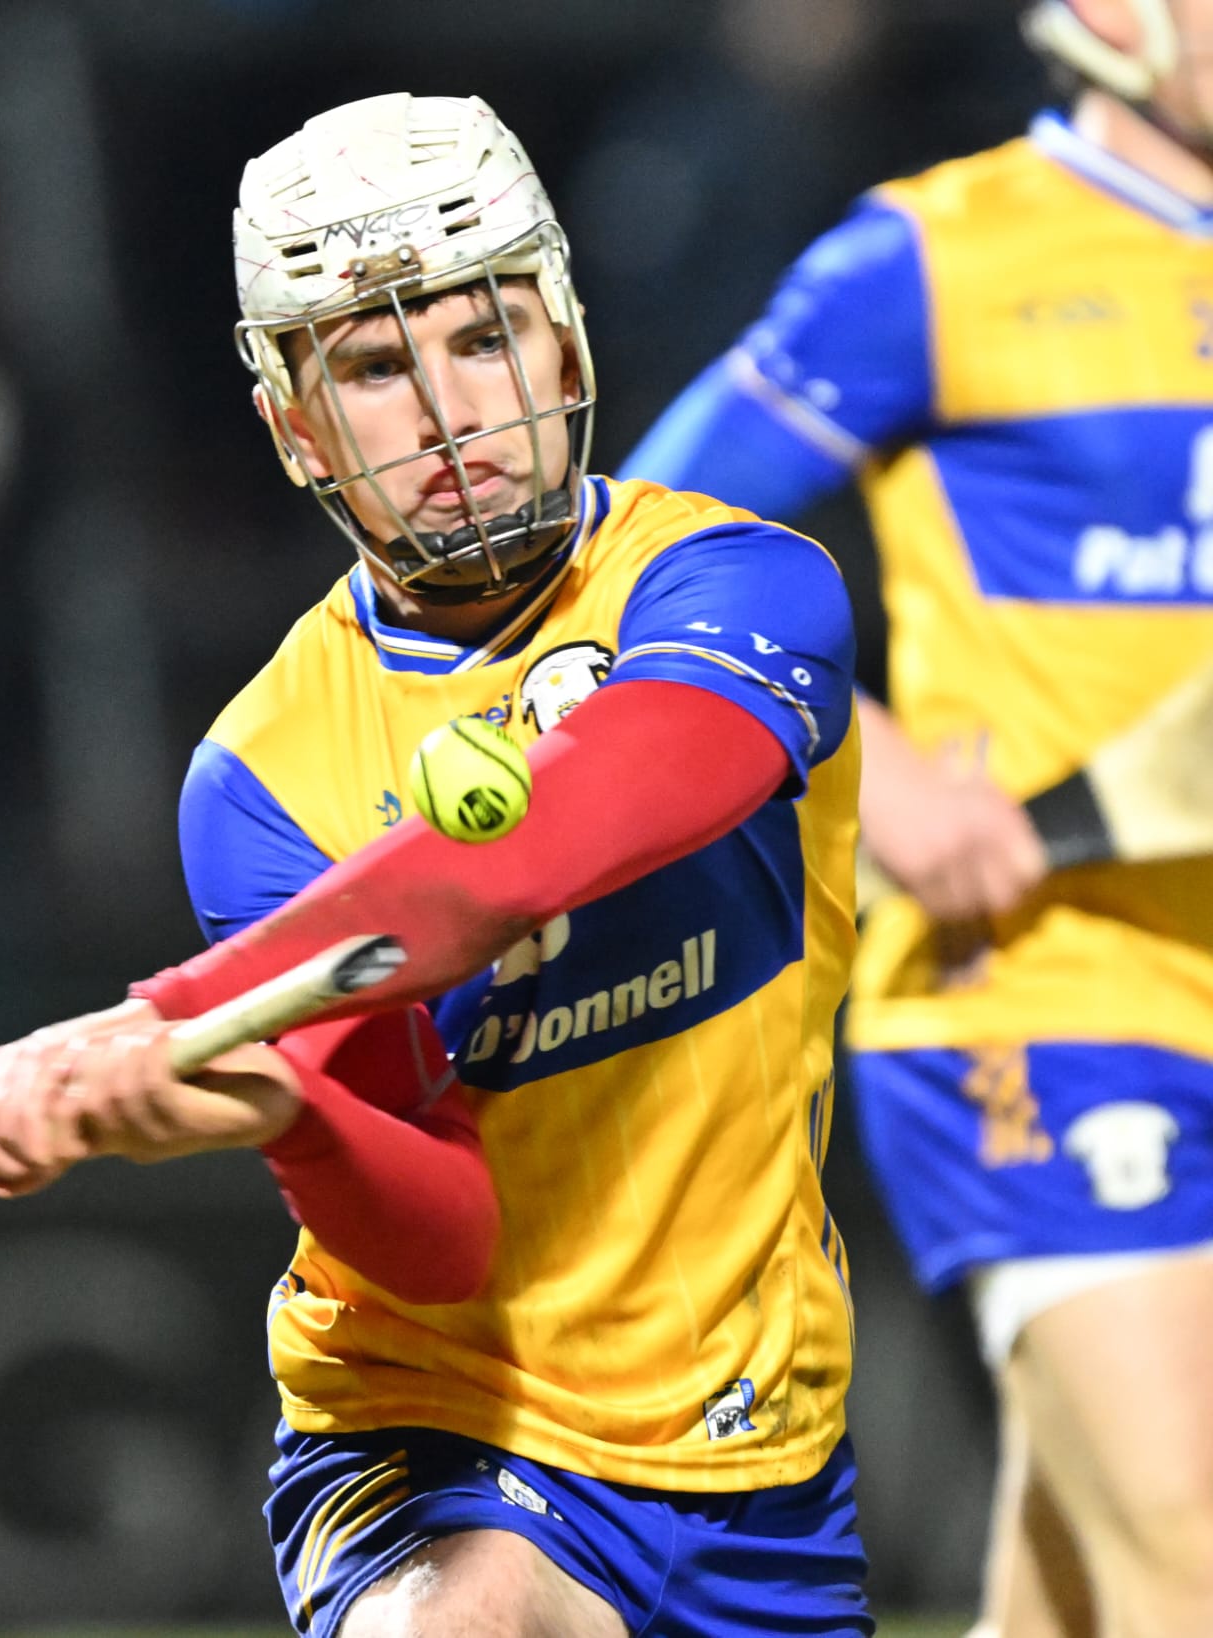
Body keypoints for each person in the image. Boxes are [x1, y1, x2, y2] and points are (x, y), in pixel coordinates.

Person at [0, 92, 872, 1636]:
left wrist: (172, 1014)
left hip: (757, 1454)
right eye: (373, 367)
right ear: (295, 427)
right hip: (435, 1429)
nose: (445, 412)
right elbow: (442, 1234)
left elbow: (550, 836)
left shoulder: (737, 587)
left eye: (484, 338)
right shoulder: (259, 774)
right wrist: (289, 1113)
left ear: (567, 348)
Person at [620, 4, 1213, 1634]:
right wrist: (871, 764)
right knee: (1190, 1553)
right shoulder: (935, 258)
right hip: (1039, 989)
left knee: (1087, 1574)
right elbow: (642, 552)